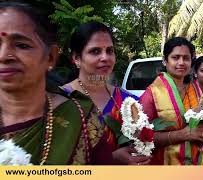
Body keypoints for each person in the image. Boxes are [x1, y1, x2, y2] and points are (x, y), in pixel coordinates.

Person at [0, 2, 116, 165]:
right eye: (95, 51)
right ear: (76, 59)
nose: (4, 56)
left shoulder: (80, 117)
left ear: (50, 57)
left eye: (21, 45)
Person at [61, 22, 150, 165]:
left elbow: (141, 144)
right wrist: (112, 159)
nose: (105, 58)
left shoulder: (128, 101)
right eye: (95, 51)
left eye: (110, 50)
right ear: (76, 58)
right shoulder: (60, 100)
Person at [139, 37, 203, 165]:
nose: (181, 62)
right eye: (175, 57)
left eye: (186, 58)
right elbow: (140, 137)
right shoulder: (152, 93)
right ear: (164, 61)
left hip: (198, 161)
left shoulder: (195, 89)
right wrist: (183, 135)